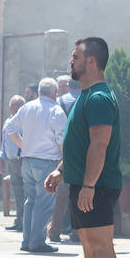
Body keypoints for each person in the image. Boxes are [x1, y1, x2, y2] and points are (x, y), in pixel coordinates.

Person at [45, 38, 121, 258]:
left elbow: (99, 145)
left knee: (101, 246)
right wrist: (62, 171)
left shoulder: (99, 97)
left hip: (98, 185)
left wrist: (89, 185)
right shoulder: (88, 95)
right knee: (89, 245)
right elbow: (79, 145)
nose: (71, 61)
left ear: (91, 61)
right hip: (84, 182)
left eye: (75, 56)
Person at [9, 78, 67, 253]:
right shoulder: (56, 110)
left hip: (27, 160)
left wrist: (24, 146)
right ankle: (37, 242)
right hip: (47, 161)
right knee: (44, 203)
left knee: (31, 201)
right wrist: (65, 161)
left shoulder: (27, 107)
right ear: (55, 93)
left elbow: (10, 130)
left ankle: (27, 240)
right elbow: (62, 140)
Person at [48, 75, 77, 243]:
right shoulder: (86, 100)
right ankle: (77, 232)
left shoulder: (60, 102)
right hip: (80, 152)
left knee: (61, 194)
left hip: (62, 151)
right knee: (78, 193)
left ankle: (54, 231)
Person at [0, 94, 27, 231]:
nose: (15, 107)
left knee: (26, 191)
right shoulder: (7, 121)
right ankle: (18, 220)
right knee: (16, 191)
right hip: (12, 161)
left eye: (19, 104)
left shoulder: (25, 121)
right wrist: (2, 159)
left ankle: (25, 222)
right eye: (13, 105)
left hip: (22, 159)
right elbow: (4, 143)